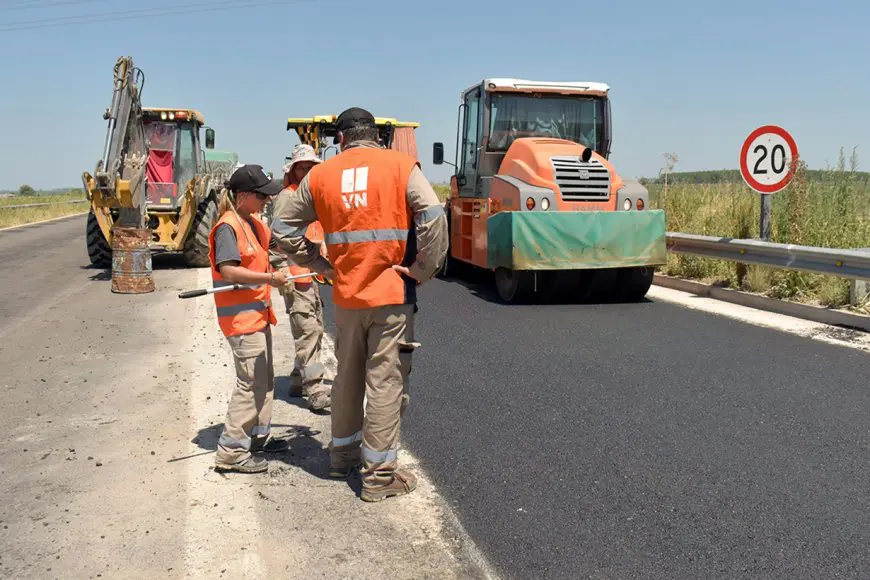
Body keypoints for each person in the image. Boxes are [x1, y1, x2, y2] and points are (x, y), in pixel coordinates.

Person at [271, 107, 448, 502]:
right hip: (391, 295)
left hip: (347, 297)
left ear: (341, 140)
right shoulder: (400, 165)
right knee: (385, 383)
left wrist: (319, 264)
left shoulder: (321, 174)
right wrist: (423, 268)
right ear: (376, 135)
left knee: (347, 379)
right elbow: (434, 214)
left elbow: (281, 227)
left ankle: (342, 458)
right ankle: (379, 477)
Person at [209, 163, 289, 474]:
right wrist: (268, 279)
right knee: (249, 383)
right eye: (262, 196)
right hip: (240, 321)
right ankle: (230, 453)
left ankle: (257, 438)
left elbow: (277, 247)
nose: (267, 200)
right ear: (243, 196)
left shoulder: (252, 223)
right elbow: (229, 270)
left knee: (265, 380)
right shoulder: (228, 226)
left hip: (258, 317)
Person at [269, 144, 332, 412]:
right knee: (308, 330)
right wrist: (283, 271)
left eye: (311, 168)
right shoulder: (289, 197)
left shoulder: (311, 198)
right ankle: (314, 388)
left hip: (309, 274)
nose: (307, 172)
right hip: (296, 276)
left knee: (313, 325)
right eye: (302, 167)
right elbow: (276, 241)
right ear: (293, 170)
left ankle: (297, 379)